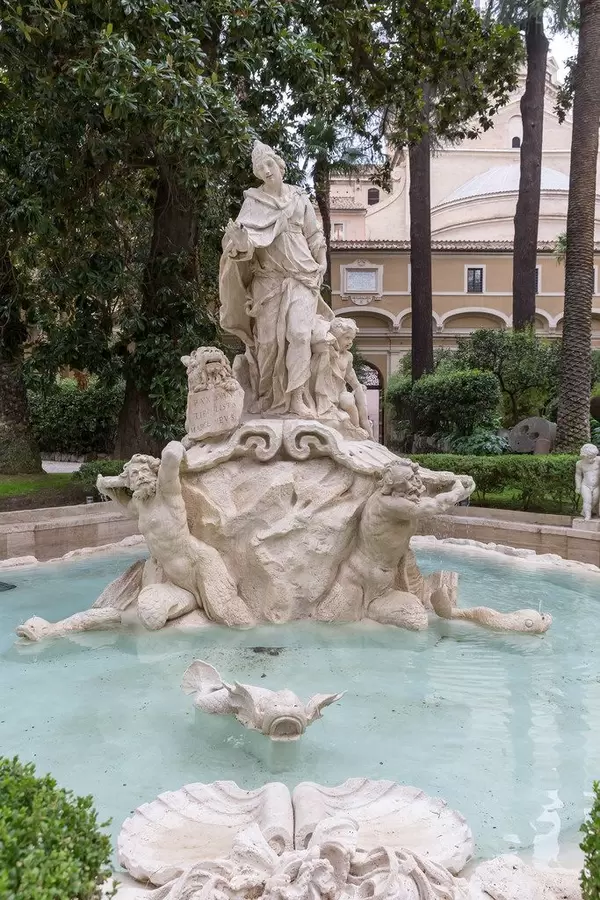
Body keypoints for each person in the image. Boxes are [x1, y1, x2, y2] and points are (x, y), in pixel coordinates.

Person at [219, 140, 332, 417]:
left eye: (269, 164)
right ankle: (266, 396)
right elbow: (244, 248)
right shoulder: (253, 203)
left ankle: (296, 398)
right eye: (260, 168)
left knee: (299, 334)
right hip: (267, 281)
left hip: (303, 276)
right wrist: (239, 243)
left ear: (280, 166)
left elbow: (315, 236)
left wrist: (322, 262)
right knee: (267, 343)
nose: (266, 171)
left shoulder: (299, 199)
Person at [98, 442, 254, 627]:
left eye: (143, 472)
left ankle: (262, 650)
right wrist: (108, 486)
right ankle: (192, 603)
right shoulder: (140, 504)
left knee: (233, 617)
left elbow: (171, 453)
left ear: (154, 473)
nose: (140, 477)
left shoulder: (166, 491)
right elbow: (126, 506)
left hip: (200, 566)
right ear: (129, 482)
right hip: (176, 580)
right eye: (134, 474)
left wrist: (185, 449)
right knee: (151, 617)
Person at [575, 443, 600, 521]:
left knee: (595, 500)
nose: (592, 459)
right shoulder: (580, 463)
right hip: (585, 485)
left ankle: (584, 511)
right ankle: (587, 516)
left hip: (597, 485)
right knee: (587, 500)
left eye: (593, 457)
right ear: (583, 456)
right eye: (589, 458)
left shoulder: (598, 460)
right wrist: (578, 487)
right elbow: (578, 475)